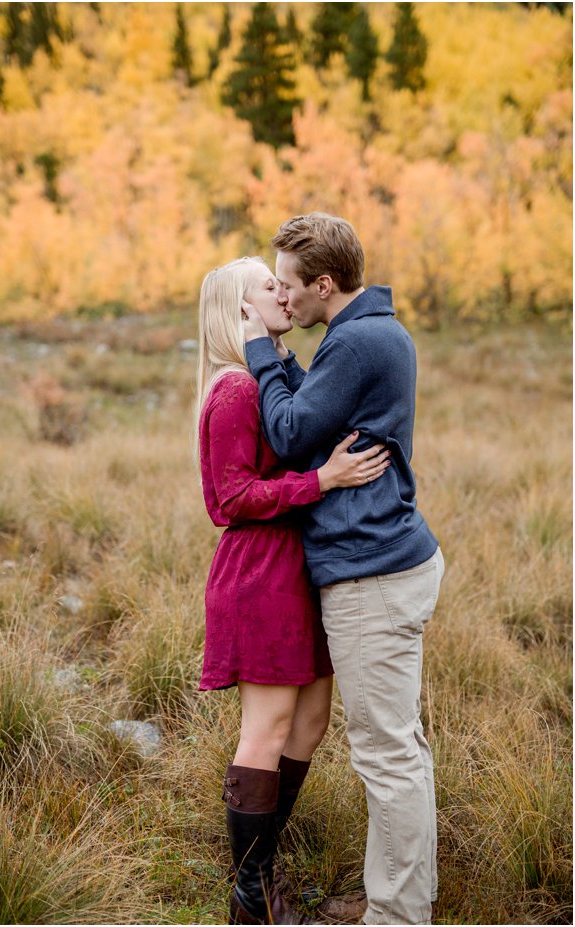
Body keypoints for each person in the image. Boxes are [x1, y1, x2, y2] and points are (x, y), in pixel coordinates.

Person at [242, 213, 444, 925]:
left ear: (324, 284)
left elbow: (291, 430)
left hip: (370, 574)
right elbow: (316, 412)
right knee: (400, 745)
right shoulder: (366, 333)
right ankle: (402, 894)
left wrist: (258, 350)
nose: (283, 299)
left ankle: (395, 914)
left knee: (385, 754)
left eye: (290, 287)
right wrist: (288, 361)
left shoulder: (355, 341)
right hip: (390, 559)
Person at [196, 256, 391, 925]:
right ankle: (250, 900)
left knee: (307, 723)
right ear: (238, 309)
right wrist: (322, 482)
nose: (282, 292)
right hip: (259, 574)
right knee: (268, 727)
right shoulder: (232, 391)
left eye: (281, 284)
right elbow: (227, 499)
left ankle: (264, 870)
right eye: (267, 287)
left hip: (300, 569)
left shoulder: (271, 375)